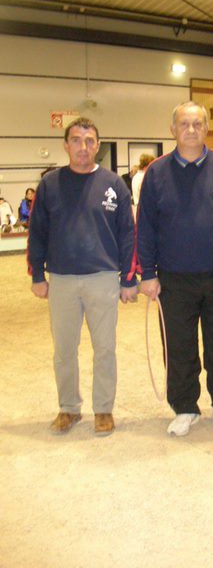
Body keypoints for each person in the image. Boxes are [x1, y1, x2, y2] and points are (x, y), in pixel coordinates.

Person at [137, 101, 213, 437]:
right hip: (174, 279)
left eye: (198, 124)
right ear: (173, 130)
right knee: (179, 348)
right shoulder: (157, 172)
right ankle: (185, 407)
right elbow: (145, 226)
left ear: (207, 128)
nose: (191, 130)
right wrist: (148, 274)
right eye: (184, 124)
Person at [28, 117, 137, 437]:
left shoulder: (114, 184)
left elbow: (127, 233)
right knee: (64, 350)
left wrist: (129, 278)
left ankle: (103, 409)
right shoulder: (50, 185)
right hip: (62, 279)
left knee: (105, 349)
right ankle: (69, 408)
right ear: (66, 145)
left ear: (98, 146)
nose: (83, 147)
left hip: (103, 278)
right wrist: (37, 274)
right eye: (76, 140)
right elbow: (37, 231)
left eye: (90, 141)